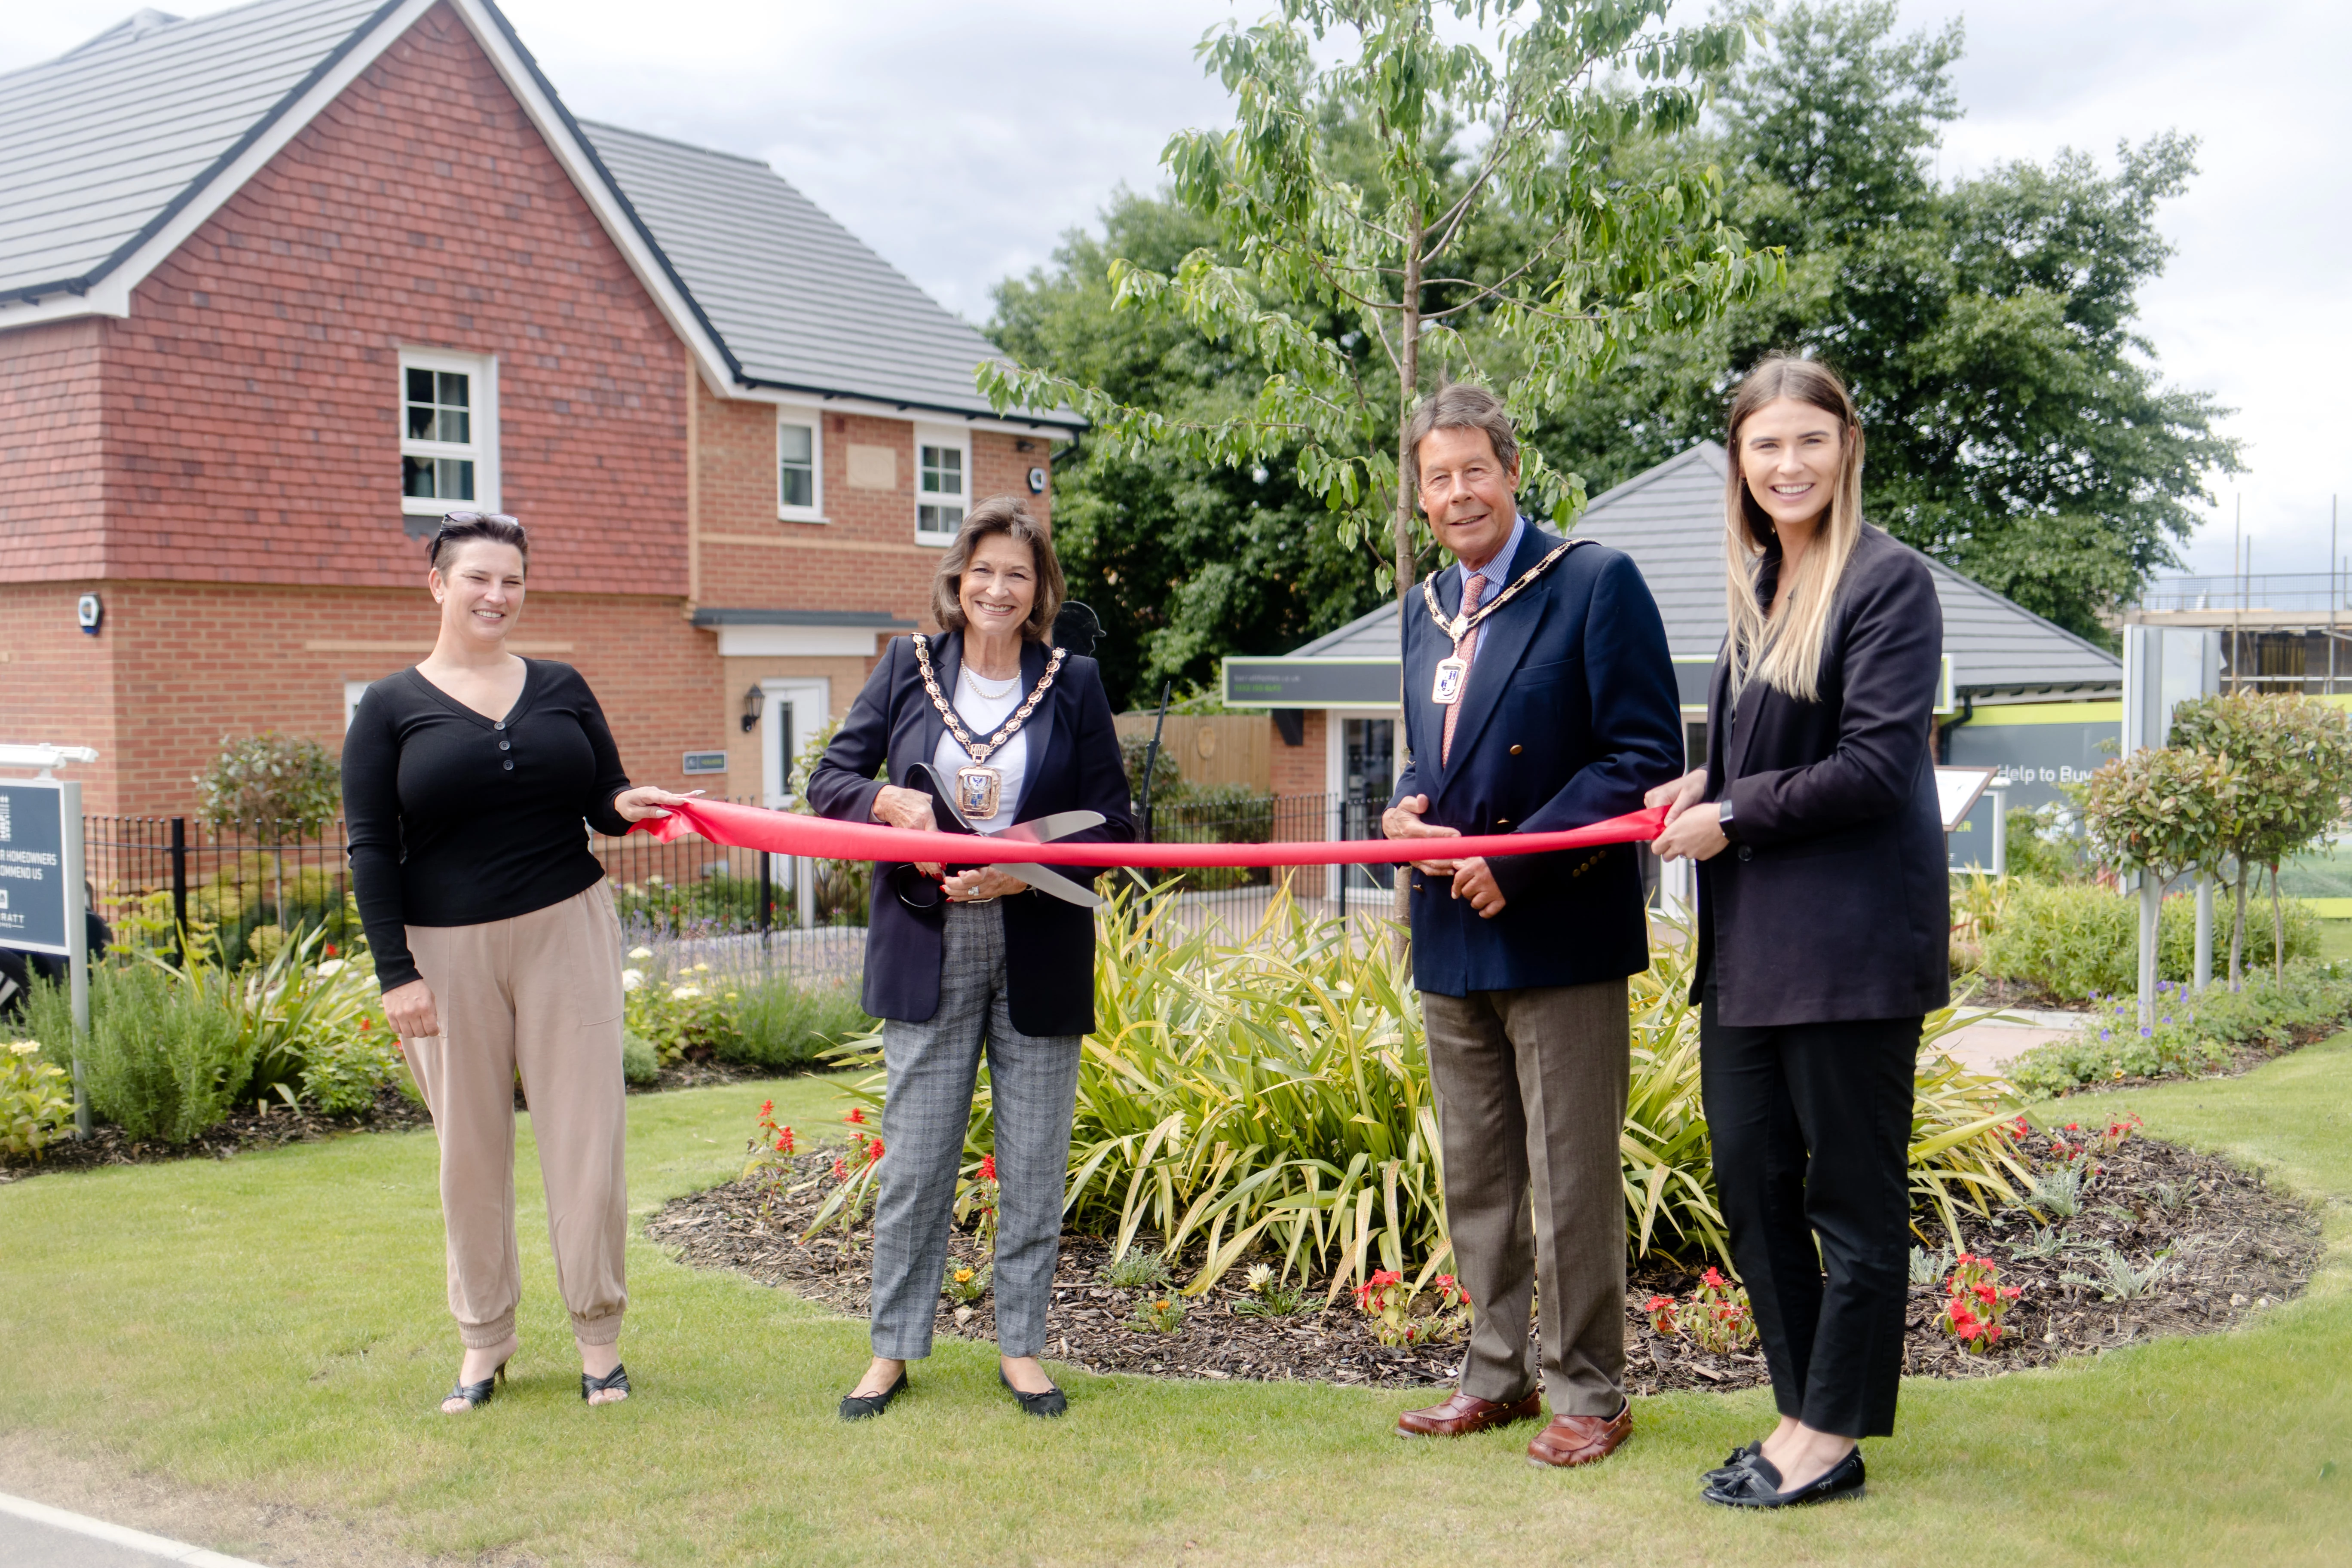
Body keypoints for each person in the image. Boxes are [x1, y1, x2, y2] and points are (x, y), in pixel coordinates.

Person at [1649, 357, 1948, 1508]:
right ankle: (1800, 1408)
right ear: (1740, 462)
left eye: (1808, 441)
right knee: (1752, 1180)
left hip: (1852, 953)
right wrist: (1703, 781)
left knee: (1852, 1203)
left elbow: (1875, 766)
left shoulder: (1886, 583)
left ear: (1847, 447)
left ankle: (1827, 1437)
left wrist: (1732, 813)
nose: (1788, 464)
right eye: (1765, 446)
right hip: (1752, 955)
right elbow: (1773, 752)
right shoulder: (1764, 582)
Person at [1381, 384, 1684, 1468]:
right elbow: (1430, 757)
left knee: (1570, 1177)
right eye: (1436, 478)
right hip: (1453, 935)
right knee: (1479, 1182)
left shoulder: (1596, 583)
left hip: (1557, 925)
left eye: (1474, 469)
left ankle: (1592, 1394)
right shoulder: (1423, 610)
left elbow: (1642, 759)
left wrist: (1524, 858)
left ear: (1512, 469)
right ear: (1420, 496)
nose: (1457, 493)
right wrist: (1402, 807)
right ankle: (1495, 1379)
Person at [342, 513, 692, 1415]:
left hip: (565, 931)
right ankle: (483, 1343)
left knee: (586, 1139)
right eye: (479, 579)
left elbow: (602, 798)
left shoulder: (561, 685)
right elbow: (373, 849)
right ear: (438, 584)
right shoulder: (387, 709)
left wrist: (629, 800)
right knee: (471, 1152)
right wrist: (396, 975)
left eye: (513, 581)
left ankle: (599, 1341)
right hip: (444, 952)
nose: (497, 596)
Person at [807, 495, 1133, 1421]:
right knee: (916, 1161)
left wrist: (1023, 862)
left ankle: (1022, 1348)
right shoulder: (908, 667)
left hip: (1040, 942)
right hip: (926, 938)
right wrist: (885, 806)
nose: (998, 587)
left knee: (1033, 1158)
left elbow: (1117, 823)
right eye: (984, 569)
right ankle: (892, 1349)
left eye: (1018, 575)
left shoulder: (1074, 681)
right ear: (958, 579)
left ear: (1040, 592)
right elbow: (831, 780)